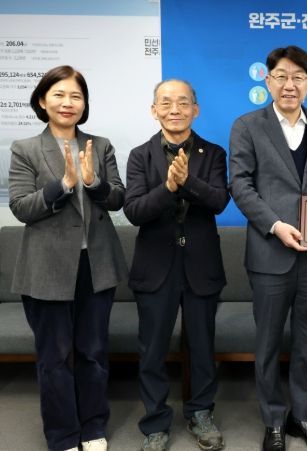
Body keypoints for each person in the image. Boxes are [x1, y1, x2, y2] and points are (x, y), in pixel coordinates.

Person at [229, 45, 307, 451]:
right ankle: (273, 420)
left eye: (298, 77)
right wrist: (275, 226)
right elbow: (240, 184)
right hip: (270, 253)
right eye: (281, 76)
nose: (289, 84)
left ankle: (302, 417)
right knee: (268, 343)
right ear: (268, 80)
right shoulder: (247, 125)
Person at [8, 65, 127, 451]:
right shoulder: (25, 148)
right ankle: (62, 435)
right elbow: (21, 208)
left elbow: (118, 198)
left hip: (96, 265)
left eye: (76, 96)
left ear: (84, 104)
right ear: (43, 101)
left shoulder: (101, 145)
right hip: (46, 269)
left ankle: (93, 427)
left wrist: (92, 182)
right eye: (59, 94)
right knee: (55, 357)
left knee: (93, 352)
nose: (68, 102)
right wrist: (63, 185)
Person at [124, 79, 230, 451]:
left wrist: (188, 182)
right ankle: (155, 422)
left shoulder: (213, 153)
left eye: (183, 102)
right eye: (166, 102)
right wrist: (168, 188)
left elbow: (219, 201)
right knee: (152, 350)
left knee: (202, 346)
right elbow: (134, 211)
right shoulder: (140, 156)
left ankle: (201, 413)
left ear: (195, 110)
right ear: (154, 110)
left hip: (201, 265)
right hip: (155, 268)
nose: (175, 109)